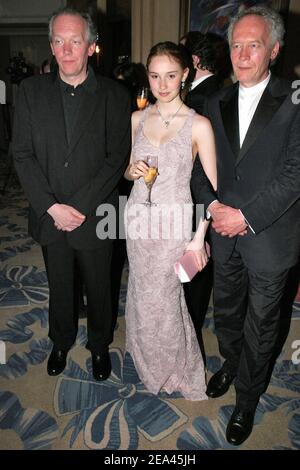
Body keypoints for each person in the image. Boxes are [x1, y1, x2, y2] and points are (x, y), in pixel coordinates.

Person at [191, 6, 300, 444]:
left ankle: (247, 400)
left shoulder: (295, 98)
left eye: (253, 45)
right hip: (223, 232)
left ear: (273, 50)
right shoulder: (214, 99)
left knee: (262, 325)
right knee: (229, 315)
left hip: (269, 235)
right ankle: (231, 364)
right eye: (236, 45)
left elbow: (295, 172)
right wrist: (213, 205)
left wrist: (246, 216)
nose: (242, 54)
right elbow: (199, 163)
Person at [12, 8, 131, 381]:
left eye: (75, 41)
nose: (66, 49)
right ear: (51, 45)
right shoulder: (30, 92)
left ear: (91, 47)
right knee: (59, 284)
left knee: (99, 287)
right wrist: (51, 207)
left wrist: (76, 207)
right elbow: (22, 154)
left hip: (95, 214)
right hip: (50, 214)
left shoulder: (115, 94)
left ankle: (99, 346)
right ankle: (60, 341)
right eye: (59, 41)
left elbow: (116, 158)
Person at [124, 42, 217, 399]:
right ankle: (148, 362)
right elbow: (129, 172)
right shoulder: (136, 118)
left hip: (174, 225)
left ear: (185, 76)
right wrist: (131, 172)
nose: (163, 85)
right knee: (142, 294)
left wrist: (199, 236)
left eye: (171, 76)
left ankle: (176, 369)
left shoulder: (199, 125)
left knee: (165, 298)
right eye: (155, 76)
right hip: (137, 221)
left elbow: (213, 189)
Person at [181, 32, 224, 348]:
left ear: (194, 61)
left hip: (196, 196)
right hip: (203, 197)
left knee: (192, 268)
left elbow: (198, 164)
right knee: (197, 268)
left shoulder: (202, 100)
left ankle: (188, 331)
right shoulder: (218, 91)